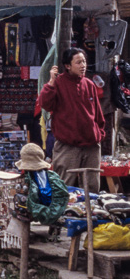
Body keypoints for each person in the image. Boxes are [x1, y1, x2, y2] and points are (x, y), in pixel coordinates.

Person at [40, 48, 105, 192]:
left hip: (91, 145)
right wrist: (51, 81)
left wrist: (99, 134)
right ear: (68, 66)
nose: (83, 65)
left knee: (92, 188)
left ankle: (90, 214)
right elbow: (45, 103)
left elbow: (98, 114)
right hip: (67, 145)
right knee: (63, 186)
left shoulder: (89, 84)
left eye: (84, 61)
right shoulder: (58, 83)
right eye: (78, 62)